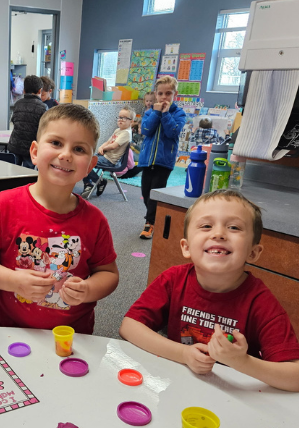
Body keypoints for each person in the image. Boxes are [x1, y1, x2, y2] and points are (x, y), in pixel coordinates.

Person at [120, 189, 299, 391]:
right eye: (206, 226)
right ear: (186, 247)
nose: (218, 234)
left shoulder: (260, 301)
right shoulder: (173, 279)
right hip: (178, 386)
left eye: (234, 227)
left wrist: (242, 362)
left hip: (232, 396)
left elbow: (295, 376)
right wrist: (183, 354)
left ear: (253, 252)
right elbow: (129, 326)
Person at [0, 103, 119, 335]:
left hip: (71, 336)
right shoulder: (3, 206)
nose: (66, 155)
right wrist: (13, 281)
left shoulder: (95, 220)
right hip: (10, 332)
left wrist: (88, 289)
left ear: (90, 165)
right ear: (35, 152)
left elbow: (108, 273)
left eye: (79, 149)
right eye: (56, 143)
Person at [135, 75, 187, 239]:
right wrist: (157, 113)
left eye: (168, 93)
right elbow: (146, 130)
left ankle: (149, 223)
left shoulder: (179, 113)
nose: (164, 97)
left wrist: (165, 114)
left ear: (175, 94)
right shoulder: (150, 112)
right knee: (146, 193)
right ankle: (155, 217)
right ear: (156, 94)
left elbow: (173, 132)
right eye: (160, 93)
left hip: (164, 161)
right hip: (147, 159)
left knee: (155, 192)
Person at [82, 107, 134, 198]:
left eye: (125, 118)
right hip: (105, 156)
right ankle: (88, 184)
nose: (121, 120)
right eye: (120, 117)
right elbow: (108, 142)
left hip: (110, 160)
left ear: (131, 122)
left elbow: (113, 146)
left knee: (84, 163)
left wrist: (104, 148)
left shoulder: (126, 133)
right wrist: (101, 147)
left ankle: (98, 182)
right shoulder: (118, 130)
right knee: (83, 159)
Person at [8, 75, 47, 166]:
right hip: (30, 148)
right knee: (28, 172)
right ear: (40, 91)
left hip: (15, 145)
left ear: (24, 90)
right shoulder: (43, 107)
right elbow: (45, 127)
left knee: (12, 170)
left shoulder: (18, 104)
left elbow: (14, 120)